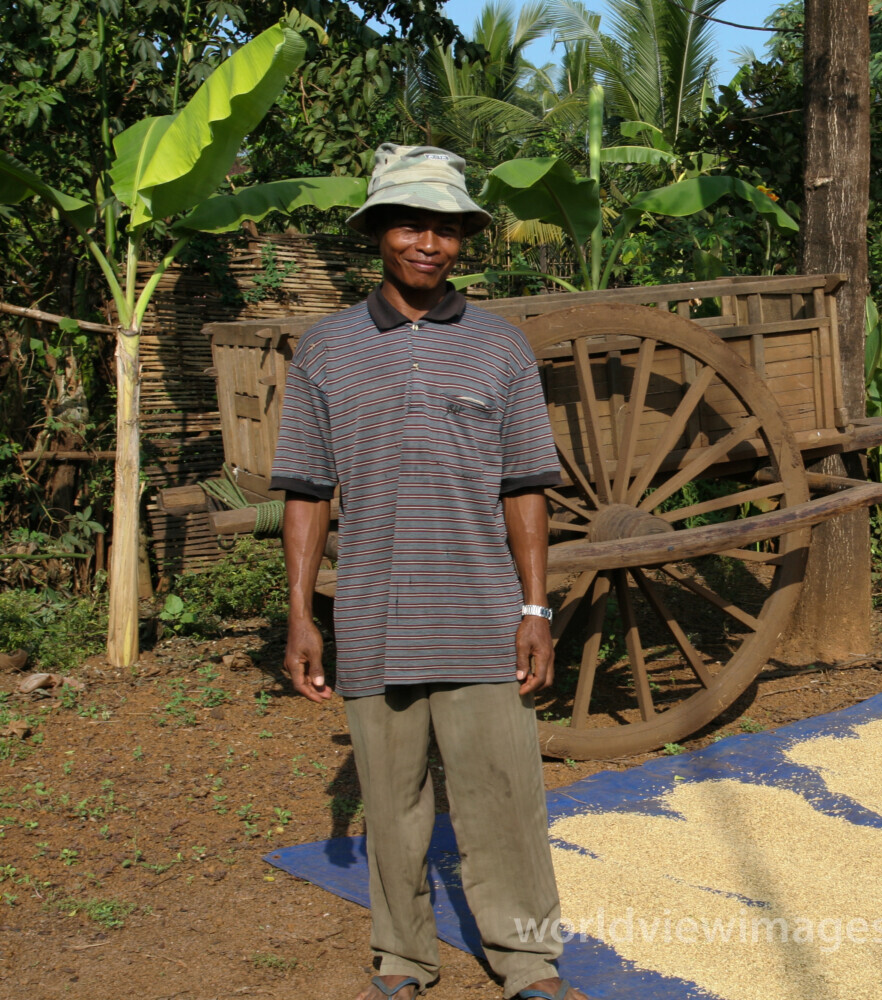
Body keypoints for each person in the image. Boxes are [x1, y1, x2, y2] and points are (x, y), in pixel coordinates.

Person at [272, 143, 587, 1000]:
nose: (429, 243)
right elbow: (305, 491)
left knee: (503, 799)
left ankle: (526, 960)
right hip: (372, 612)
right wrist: (303, 617)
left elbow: (527, 486)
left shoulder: (500, 347)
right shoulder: (326, 350)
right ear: (377, 231)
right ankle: (405, 957)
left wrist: (535, 608)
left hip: (485, 615)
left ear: (463, 243)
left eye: (447, 229)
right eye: (411, 224)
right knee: (394, 803)